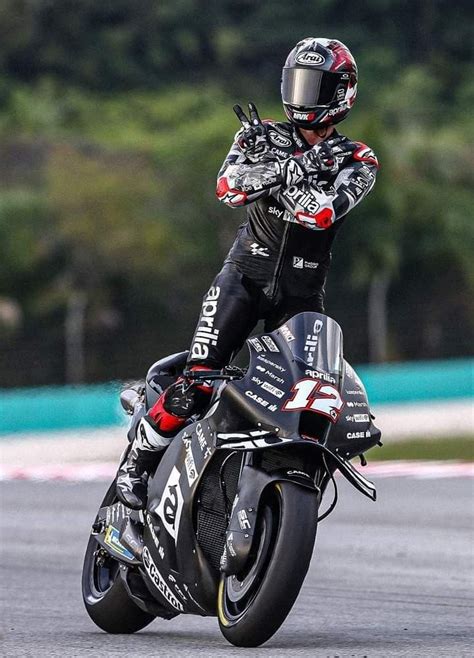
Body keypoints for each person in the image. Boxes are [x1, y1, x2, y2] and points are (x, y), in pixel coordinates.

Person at [117, 36, 379, 509]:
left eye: (317, 85)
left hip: (302, 298)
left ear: (343, 93)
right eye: (299, 82)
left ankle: (270, 492)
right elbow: (229, 186)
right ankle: (137, 467)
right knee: (198, 380)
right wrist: (280, 169)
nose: (304, 96)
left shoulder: (357, 159)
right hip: (244, 278)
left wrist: (287, 174)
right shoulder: (257, 137)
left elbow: (322, 213)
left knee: (308, 401)